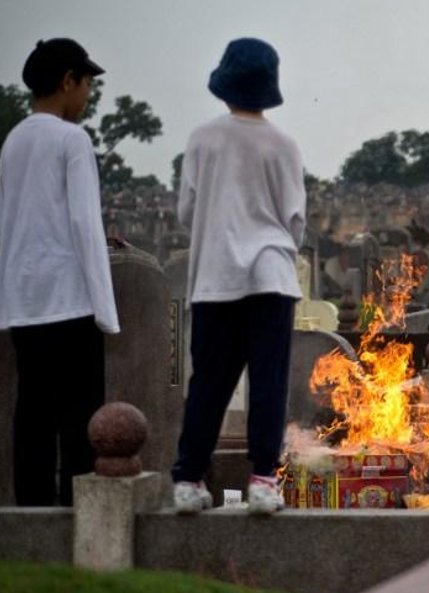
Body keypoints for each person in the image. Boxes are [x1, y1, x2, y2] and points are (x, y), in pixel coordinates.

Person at [171, 38, 306, 515]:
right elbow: (294, 220)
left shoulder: (202, 139)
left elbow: (188, 210)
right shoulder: (283, 145)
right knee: (268, 383)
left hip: (215, 276)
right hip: (271, 276)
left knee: (209, 381)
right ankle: (264, 482)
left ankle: (188, 478)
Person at [0, 39, 119, 506]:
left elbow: (6, 218)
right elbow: (84, 222)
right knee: (81, 420)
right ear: (68, 82)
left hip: (24, 301)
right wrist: (106, 311)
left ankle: (32, 516)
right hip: (70, 300)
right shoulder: (72, 139)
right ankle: (76, 514)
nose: (86, 96)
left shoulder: (14, 139)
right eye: (86, 85)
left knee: (33, 416)